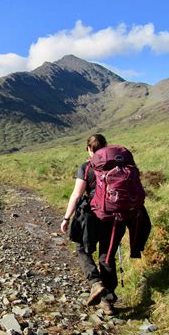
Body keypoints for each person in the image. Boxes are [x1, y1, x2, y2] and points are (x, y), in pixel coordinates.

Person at [60, 134, 127, 315]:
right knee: (107, 257)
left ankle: (95, 283)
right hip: (116, 219)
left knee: (82, 249)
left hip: (92, 218)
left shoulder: (86, 167)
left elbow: (76, 195)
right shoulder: (120, 166)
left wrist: (66, 218)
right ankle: (108, 302)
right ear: (106, 147)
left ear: (89, 149)